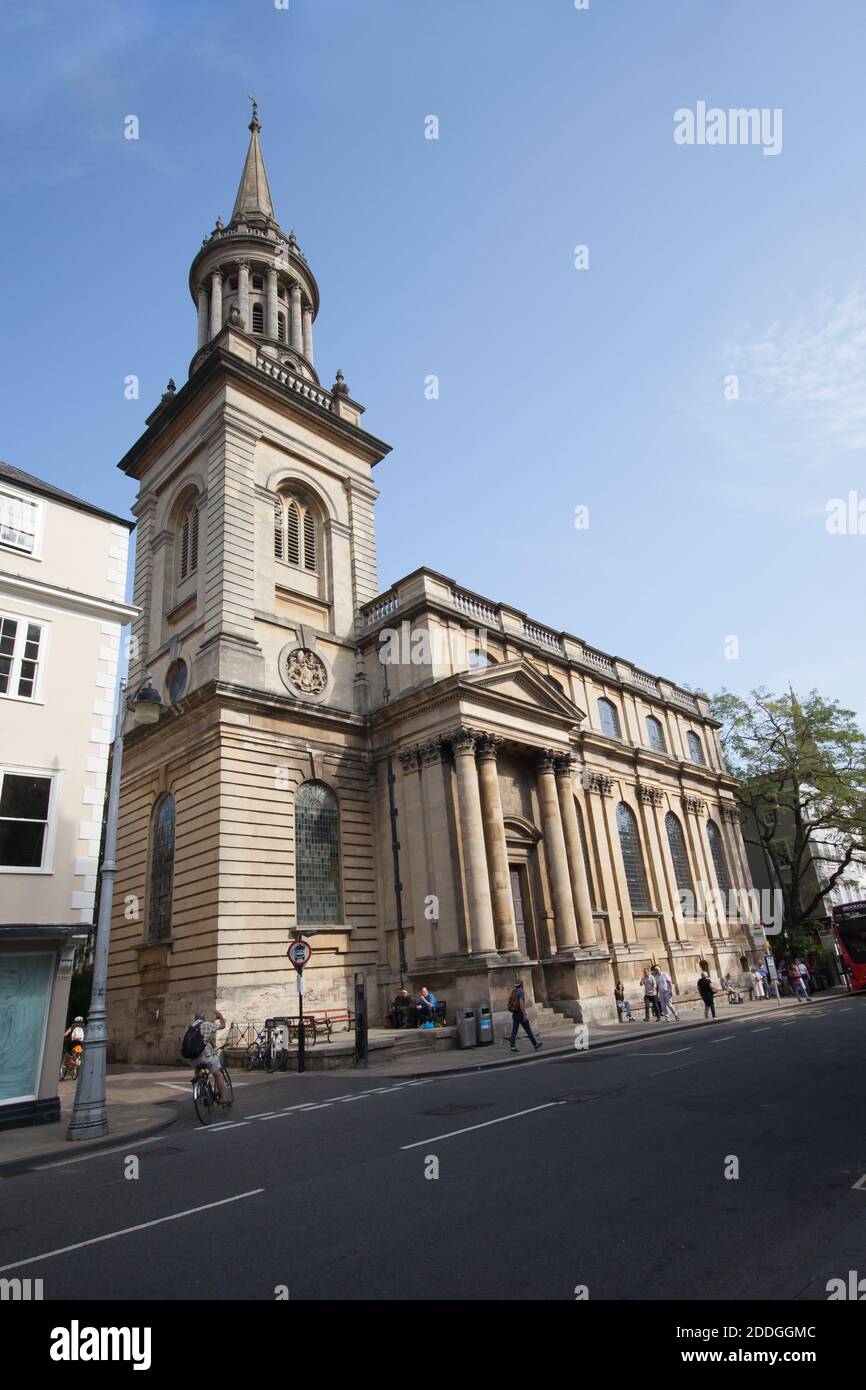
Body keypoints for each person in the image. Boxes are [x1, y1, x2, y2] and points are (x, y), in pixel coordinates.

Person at [184, 1008, 229, 1105]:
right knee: (217, 1074)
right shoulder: (206, 1025)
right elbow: (223, 1025)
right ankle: (223, 1098)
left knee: (198, 1069)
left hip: (192, 1059)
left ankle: (199, 1085)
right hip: (206, 1057)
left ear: (195, 1018)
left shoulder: (190, 1028)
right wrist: (220, 1016)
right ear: (203, 1018)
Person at [507, 980, 543, 1053]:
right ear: (521, 985)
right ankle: (535, 1044)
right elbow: (521, 1003)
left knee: (514, 1030)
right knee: (528, 1030)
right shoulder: (521, 992)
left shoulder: (513, 992)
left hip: (514, 1013)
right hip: (520, 1013)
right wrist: (524, 1014)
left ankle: (512, 1046)